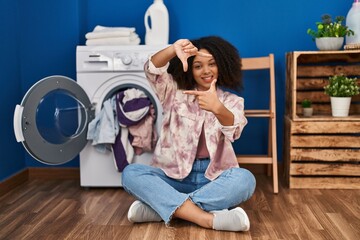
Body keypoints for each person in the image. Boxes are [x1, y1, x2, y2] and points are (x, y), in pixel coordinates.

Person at [122, 36, 256, 232]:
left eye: (212, 64)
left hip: (213, 179)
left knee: (245, 180)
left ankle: (162, 209)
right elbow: (151, 70)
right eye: (198, 66)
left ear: (222, 66)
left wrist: (217, 107)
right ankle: (205, 218)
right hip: (172, 177)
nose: (206, 71)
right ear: (190, 70)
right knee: (130, 173)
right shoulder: (173, 93)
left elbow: (234, 130)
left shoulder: (232, 101)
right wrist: (171, 49)